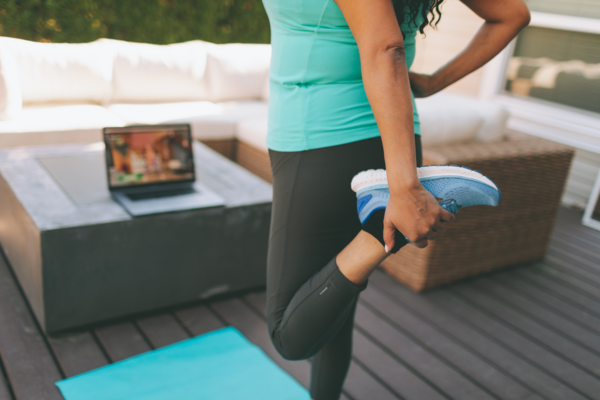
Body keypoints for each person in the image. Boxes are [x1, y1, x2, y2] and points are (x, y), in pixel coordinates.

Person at [261, 0, 530, 399]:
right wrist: (433, 83)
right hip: (391, 145)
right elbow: (513, 14)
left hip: (319, 143)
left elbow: (386, 47)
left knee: (289, 334)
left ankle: (378, 230)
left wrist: (403, 189)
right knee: (333, 308)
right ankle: (381, 215)